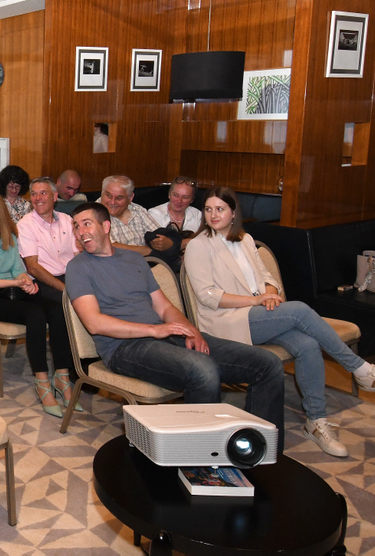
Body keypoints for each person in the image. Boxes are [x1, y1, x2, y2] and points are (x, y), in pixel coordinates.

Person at [185, 187, 375, 457]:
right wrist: (256, 300)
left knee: (307, 344)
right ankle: (361, 369)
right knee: (299, 311)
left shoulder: (245, 240)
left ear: (234, 212)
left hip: (258, 314)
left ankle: (316, 422)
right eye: (208, 209)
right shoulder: (198, 246)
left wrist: (269, 294)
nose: (213, 215)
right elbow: (208, 296)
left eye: (220, 209)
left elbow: (267, 277)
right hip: (226, 321)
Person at [66, 202, 287, 449]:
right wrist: (154, 330)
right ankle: (200, 458)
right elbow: (94, 323)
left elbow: (164, 308)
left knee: (267, 364)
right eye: (76, 226)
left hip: (167, 336)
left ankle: (264, 452)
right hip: (124, 347)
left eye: (86, 224)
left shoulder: (134, 260)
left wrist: (191, 331)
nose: (80, 232)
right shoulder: (78, 267)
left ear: (106, 226)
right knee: (202, 370)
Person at [0, 191, 75, 418]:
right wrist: (16, 282)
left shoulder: (10, 237)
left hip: (14, 293)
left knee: (56, 309)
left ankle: (62, 376)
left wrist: (26, 281)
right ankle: (42, 382)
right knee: (35, 314)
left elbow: (18, 269)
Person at [100, 175, 181, 270]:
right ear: (102, 193)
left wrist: (168, 243)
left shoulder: (137, 210)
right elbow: (110, 247)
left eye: (119, 198)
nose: (112, 202)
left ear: (130, 198)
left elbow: (158, 234)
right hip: (115, 269)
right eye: (108, 196)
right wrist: (147, 251)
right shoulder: (93, 214)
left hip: (147, 267)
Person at [17, 177, 77, 303]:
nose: (38, 198)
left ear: (54, 196)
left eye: (43, 193)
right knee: (72, 303)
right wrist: (65, 289)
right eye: (34, 194)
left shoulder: (67, 220)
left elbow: (78, 256)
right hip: (45, 282)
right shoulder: (25, 225)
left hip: (72, 277)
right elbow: (32, 267)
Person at [147, 176, 202, 251]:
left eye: (185, 197)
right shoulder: (154, 214)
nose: (179, 201)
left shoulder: (198, 215)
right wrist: (185, 243)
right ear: (169, 195)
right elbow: (156, 245)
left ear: (192, 200)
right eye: (176, 195)